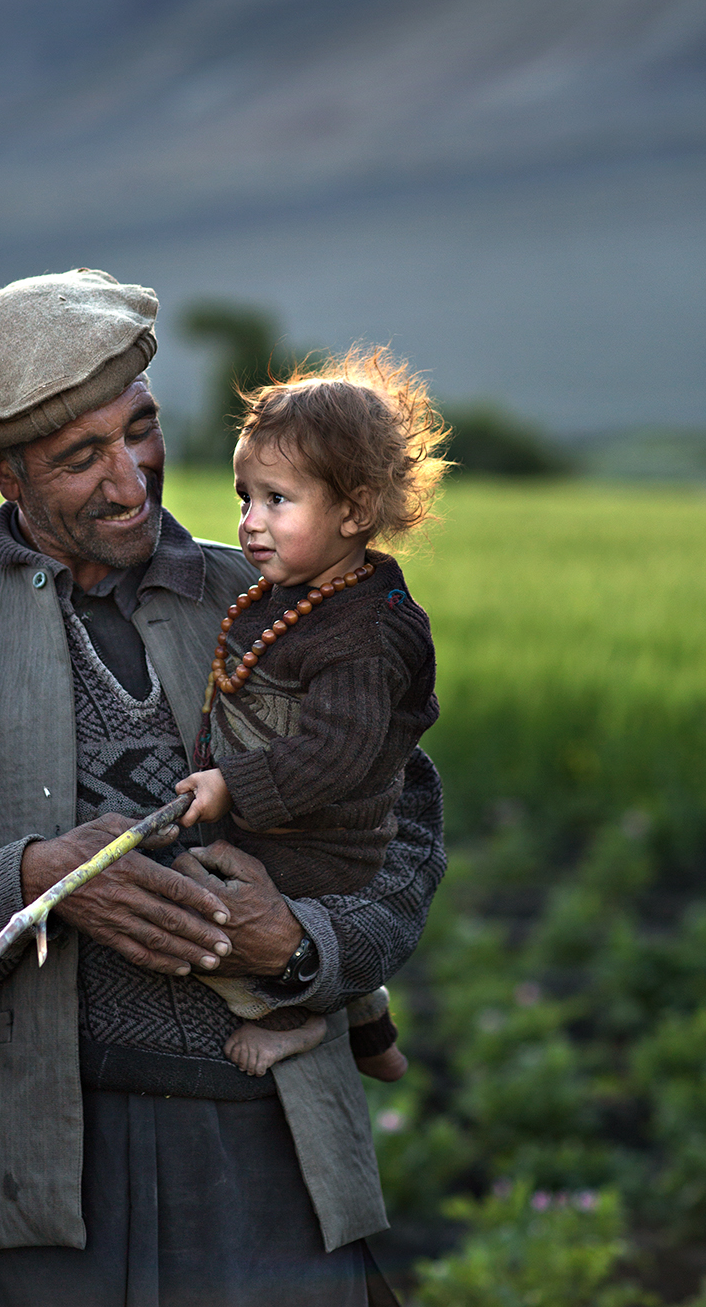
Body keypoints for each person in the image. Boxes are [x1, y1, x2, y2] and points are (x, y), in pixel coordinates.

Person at [0, 269, 447, 1307]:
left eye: (140, 431)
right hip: (38, 1175)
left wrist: (301, 947)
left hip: (271, 1139)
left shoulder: (293, 599)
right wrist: (35, 883)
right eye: (79, 458)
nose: (129, 480)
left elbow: (404, 829)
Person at [175, 351, 445, 1083]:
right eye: (244, 498)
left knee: (213, 911)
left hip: (323, 841)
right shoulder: (294, 594)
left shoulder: (366, 633)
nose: (250, 523)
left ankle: (294, 1017)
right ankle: (372, 1029)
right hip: (287, 818)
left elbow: (338, 753)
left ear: (354, 512)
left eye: (277, 500)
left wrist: (231, 784)